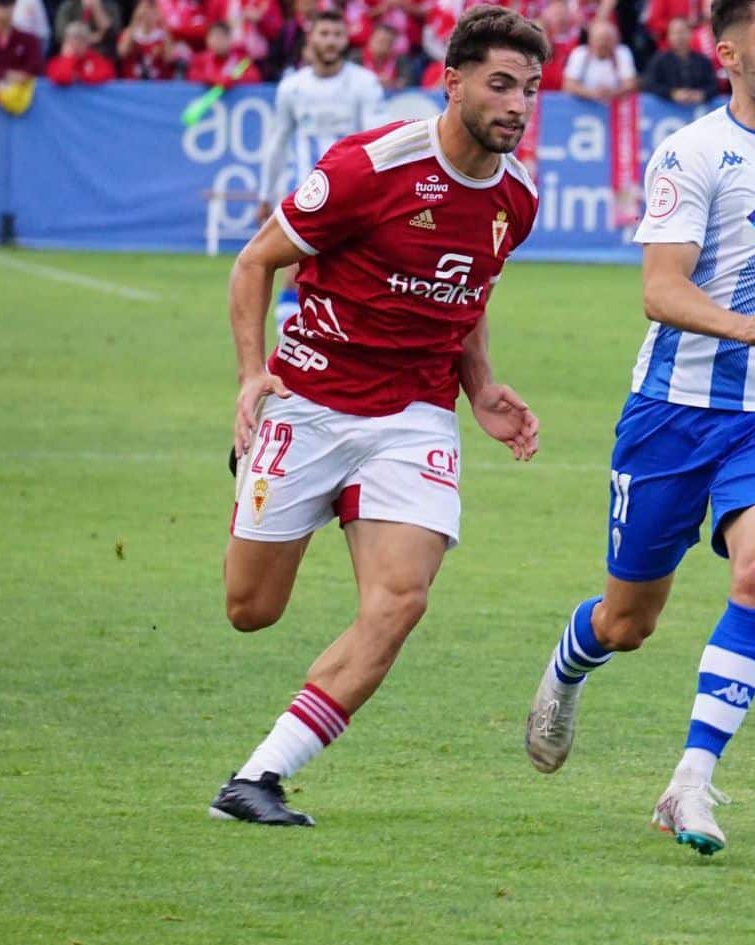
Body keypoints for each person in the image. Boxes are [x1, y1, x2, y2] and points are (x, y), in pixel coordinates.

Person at [522, 0, 755, 857]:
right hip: (673, 411)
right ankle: (570, 665)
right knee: (628, 619)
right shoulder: (692, 151)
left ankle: (691, 779)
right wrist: (741, 323)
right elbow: (661, 289)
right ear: (727, 55)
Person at [207, 5, 547, 826]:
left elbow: (467, 292)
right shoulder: (370, 167)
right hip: (311, 399)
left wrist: (482, 387)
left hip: (413, 417)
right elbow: (256, 262)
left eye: (531, 90)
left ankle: (257, 778)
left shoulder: (516, 197)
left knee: (400, 598)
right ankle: (269, 477)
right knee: (251, 609)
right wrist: (253, 375)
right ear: (452, 81)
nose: (516, 105)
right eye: (501, 85)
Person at [258, 9, 386, 328]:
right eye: (324, 34)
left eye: (337, 35)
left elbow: (377, 140)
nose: (330, 42)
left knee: (357, 270)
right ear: (310, 38)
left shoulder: (364, 83)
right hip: (305, 191)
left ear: (346, 40)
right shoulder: (292, 87)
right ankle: (288, 343)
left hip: (353, 193)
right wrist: (265, 194)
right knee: (294, 267)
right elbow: (277, 142)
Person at [642, 15, 718, 103]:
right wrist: (672, 93)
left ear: (691, 34)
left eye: (683, 32)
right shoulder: (659, 60)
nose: (679, 36)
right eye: (675, 33)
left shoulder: (703, 61)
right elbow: (649, 84)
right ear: (668, 36)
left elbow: (713, 86)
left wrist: (702, 94)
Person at [562, 18, 637, 101]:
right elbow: (569, 85)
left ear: (616, 40)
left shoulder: (622, 52)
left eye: (607, 39)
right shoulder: (580, 53)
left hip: (613, 106)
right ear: (590, 40)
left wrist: (612, 93)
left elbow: (630, 84)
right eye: (599, 39)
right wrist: (594, 94)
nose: (603, 43)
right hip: (584, 107)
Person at [188, 19, 262, 84]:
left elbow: (254, 76)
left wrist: (232, 79)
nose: (218, 42)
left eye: (221, 37)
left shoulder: (241, 59)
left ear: (230, 39)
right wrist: (212, 79)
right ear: (207, 40)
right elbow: (192, 75)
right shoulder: (200, 59)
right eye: (214, 37)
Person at [46, 20, 115, 84]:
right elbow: (60, 77)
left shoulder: (97, 60)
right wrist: (68, 58)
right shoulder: (57, 62)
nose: (76, 45)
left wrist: (79, 77)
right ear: (65, 42)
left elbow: (107, 76)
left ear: (88, 43)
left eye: (81, 40)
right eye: (73, 40)